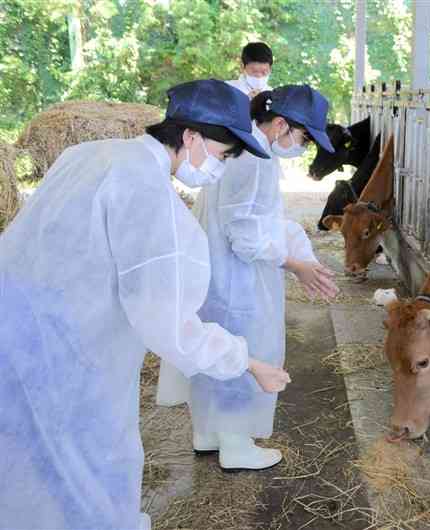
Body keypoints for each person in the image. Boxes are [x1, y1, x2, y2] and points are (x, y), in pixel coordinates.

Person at [0, 79, 291, 530]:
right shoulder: (148, 192)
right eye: (221, 154)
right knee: (90, 461)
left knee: (23, 461)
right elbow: (169, 323)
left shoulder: (94, 153)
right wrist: (248, 362)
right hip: (70, 350)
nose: (219, 167)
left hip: (17, 321)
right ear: (191, 137)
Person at [158, 85, 340, 471]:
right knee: (248, 344)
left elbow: (258, 220)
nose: (304, 147)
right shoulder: (254, 156)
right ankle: (236, 444)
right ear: (280, 124)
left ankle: (209, 434)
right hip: (236, 275)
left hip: (218, 268)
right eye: (304, 137)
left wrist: (295, 250)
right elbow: (243, 234)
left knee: (220, 343)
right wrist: (295, 264)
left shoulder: (241, 147)